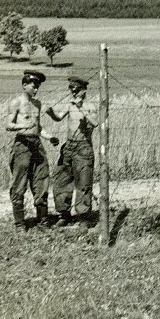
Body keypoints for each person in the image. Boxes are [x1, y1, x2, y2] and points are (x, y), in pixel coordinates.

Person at [6, 70, 60, 231]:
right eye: (33, 86)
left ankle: (43, 221)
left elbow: (38, 127)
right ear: (24, 85)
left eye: (37, 87)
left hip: (37, 145)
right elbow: (9, 125)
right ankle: (20, 224)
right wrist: (24, 126)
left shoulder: (37, 104)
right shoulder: (16, 102)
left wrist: (49, 137)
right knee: (19, 184)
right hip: (22, 145)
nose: (36, 89)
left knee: (42, 180)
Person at [46, 76, 99, 228]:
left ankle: (83, 218)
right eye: (71, 90)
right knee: (62, 181)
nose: (74, 93)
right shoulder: (70, 105)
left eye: (77, 90)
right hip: (68, 147)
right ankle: (64, 215)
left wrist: (81, 107)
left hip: (83, 148)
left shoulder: (90, 106)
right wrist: (50, 113)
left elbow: (95, 122)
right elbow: (58, 117)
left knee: (83, 183)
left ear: (84, 91)